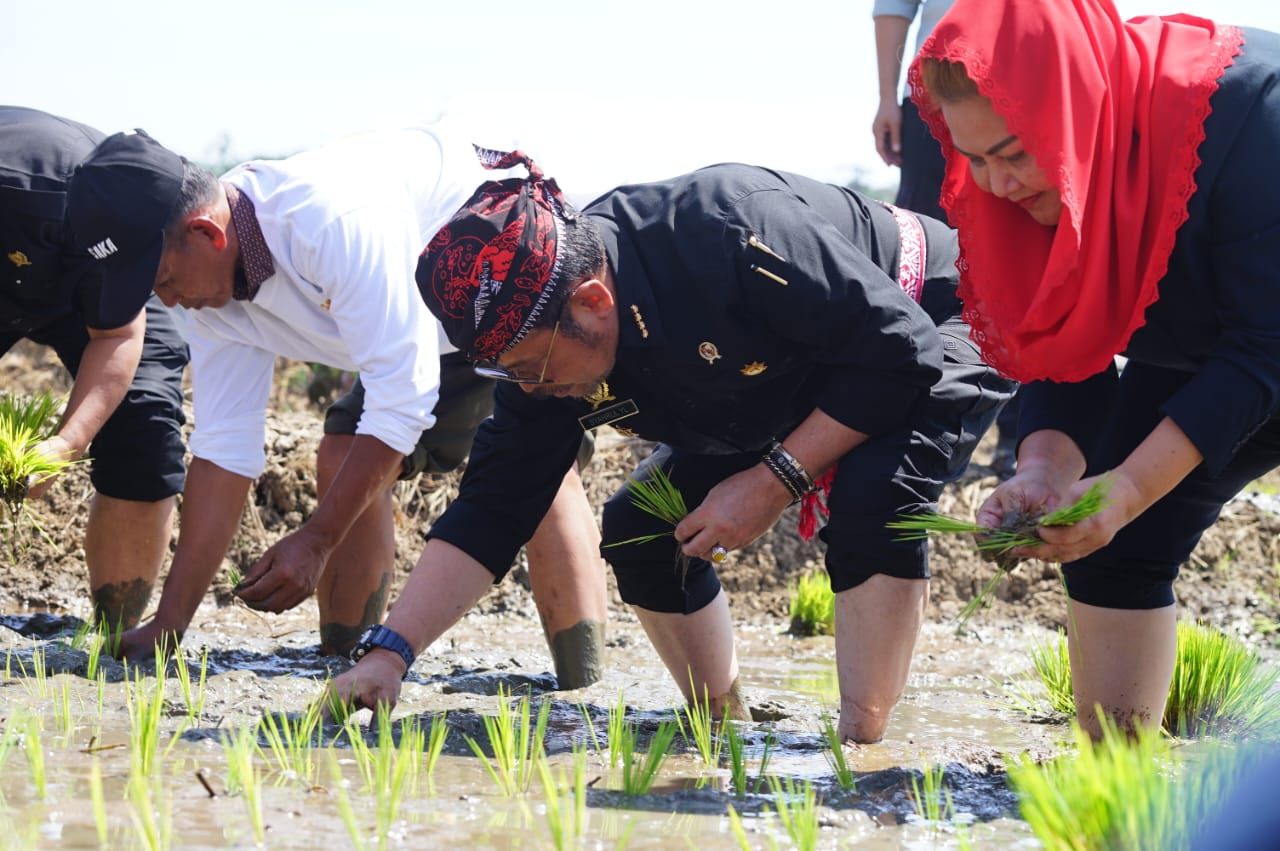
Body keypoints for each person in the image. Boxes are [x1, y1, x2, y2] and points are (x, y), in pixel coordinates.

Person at [329, 147, 1016, 743]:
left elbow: (901, 354)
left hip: (932, 309)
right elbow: (493, 506)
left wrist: (776, 479)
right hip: (785, 383)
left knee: (876, 488)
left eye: (533, 368)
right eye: (506, 373)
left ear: (593, 302)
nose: (529, 388)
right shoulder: (540, 353)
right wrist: (390, 652)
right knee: (639, 525)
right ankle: (722, 722)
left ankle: (862, 747)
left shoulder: (727, 232)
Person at [112, 126, 609, 687]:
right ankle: (346, 670)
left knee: (540, 474)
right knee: (343, 450)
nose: (170, 302)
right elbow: (225, 446)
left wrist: (316, 539)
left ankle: (581, 690)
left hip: (517, 294)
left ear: (206, 234)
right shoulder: (213, 290)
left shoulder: (331, 221)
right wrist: (170, 624)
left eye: (167, 282)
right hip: (424, 325)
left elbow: (401, 401)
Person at [912, 0, 1280, 737]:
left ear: (1078, 110)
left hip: (1261, 335)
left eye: (1014, 152)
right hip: (1214, 347)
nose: (999, 184)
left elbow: (1264, 347)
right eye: (976, 159)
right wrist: (1046, 468)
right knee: (1117, 550)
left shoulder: (1252, 117)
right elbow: (1063, 333)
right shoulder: (1023, 183)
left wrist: (1133, 485)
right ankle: (1113, 780)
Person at [0, 106, 188, 636]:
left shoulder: (131, 219)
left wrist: (65, 445)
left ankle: (114, 640)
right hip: (13, 242)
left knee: (144, 423)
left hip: (85, 267)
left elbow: (119, 334)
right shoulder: (18, 185)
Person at [872, 0, 954, 223]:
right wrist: (887, 99)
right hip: (933, 97)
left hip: (1034, 85)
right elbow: (895, 5)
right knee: (926, 225)